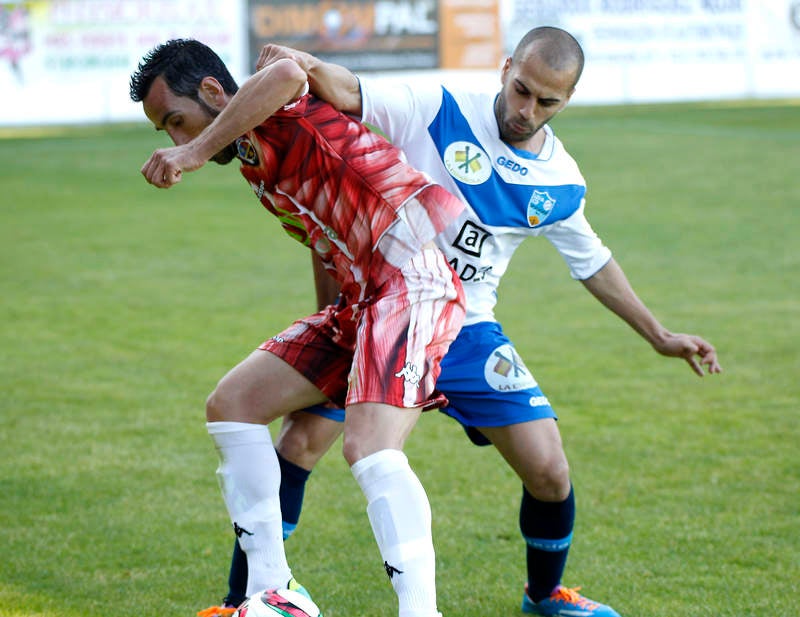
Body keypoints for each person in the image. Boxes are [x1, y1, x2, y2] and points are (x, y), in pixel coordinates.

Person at [201, 26, 723, 617]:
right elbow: (349, 92)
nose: (526, 110)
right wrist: (302, 62)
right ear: (504, 69)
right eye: (521, 89)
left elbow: (592, 260)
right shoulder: (439, 109)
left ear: (567, 102)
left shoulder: (560, 182)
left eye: (546, 102)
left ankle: (546, 595)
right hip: (383, 307)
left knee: (549, 470)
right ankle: (246, 600)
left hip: (468, 331)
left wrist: (660, 335)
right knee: (297, 445)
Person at [129, 38, 469, 617]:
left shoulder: (273, 107)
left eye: (177, 122)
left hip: (413, 282)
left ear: (214, 92)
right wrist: (328, 347)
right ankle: (275, 593)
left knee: (369, 449)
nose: (177, 141)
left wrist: (193, 154)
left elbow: (288, 71)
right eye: (169, 133)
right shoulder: (254, 157)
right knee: (233, 402)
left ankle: (420, 612)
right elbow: (324, 237)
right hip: (360, 304)